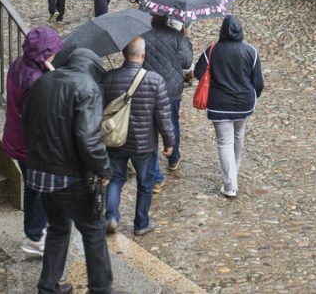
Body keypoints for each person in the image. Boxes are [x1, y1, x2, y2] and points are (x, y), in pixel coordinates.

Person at [23, 49, 119, 294]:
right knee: (93, 230)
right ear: (94, 69)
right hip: (69, 175)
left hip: (40, 173)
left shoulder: (42, 82)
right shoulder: (88, 87)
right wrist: (103, 168)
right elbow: (88, 139)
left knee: (58, 227)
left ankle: (47, 287)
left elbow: (26, 121)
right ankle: (100, 289)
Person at [100, 37, 175, 236]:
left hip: (115, 140)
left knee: (115, 179)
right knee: (145, 183)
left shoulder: (108, 78)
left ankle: (111, 216)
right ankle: (141, 223)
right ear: (143, 55)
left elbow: (101, 110)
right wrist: (169, 143)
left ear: (124, 54)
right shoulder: (155, 80)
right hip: (144, 144)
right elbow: (163, 116)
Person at [1, 27, 63, 257]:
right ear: (45, 54)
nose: (56, 54)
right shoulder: (35, 80)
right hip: (30, 146)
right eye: (53, 51)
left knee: (32, 186)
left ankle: (35, 231)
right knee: (36, 188)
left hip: (16, 139)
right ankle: (35, 237)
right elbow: (38, 116)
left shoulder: (19, 65)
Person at [193, 15, 264, 198]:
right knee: (238, 135)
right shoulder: (251, 51)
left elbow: (197, 73)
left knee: (224, 143)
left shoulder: (212, 51)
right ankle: (235, 170)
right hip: (244, 104)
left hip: (219, 105)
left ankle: (230, 184)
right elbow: (258, 82)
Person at [142, 15, 193, 191]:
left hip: (147, 89)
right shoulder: (176, 36)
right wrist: (186, 37)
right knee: (172, 124)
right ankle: (173, 159)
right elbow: (187, 62)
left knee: (150, 132)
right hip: (171, 90)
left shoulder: (141, 35)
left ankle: (156, 177)